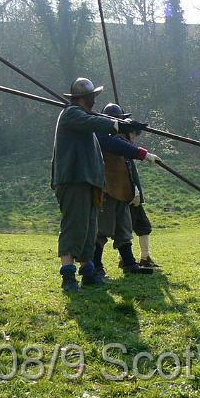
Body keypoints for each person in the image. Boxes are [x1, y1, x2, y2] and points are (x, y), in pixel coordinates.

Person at [52, 77, 126, 292]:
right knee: (74, 227)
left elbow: (94, 122)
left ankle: (88, 272)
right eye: (93, 96)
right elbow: (93, 123)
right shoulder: (71, 114)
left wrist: (120, 124)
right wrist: (115, 124)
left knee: (89, 229)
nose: (95, 99)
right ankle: (68, 276)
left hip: (89, 182)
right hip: (74, 179)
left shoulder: (83, 116)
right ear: (87, 97)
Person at [94, 103, 158, 277]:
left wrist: (134, 190)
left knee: (123, 229)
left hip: (122, 190)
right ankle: (96, 267)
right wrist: (143, 153)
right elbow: (117, 146)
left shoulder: (120, 139)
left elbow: (128, 167)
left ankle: (129, 263)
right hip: (106, 190)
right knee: (101, 230)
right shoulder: (101, 136)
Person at [125, 126, 160, 268]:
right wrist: (135, 192)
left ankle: (131, 258)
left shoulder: (122, 147)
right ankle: (143, 258)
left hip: (126, 194)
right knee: (139, 226)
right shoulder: (121, 148)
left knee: (125, 228)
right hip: (129, 195)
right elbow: (125, 171)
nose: (134, 137)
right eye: (133, 133)